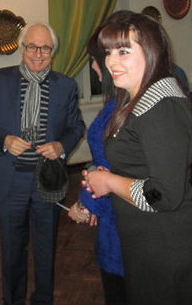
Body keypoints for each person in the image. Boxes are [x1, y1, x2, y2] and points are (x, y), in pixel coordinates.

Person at [83, 13, 192, 304]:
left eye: (123, 51)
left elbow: (164, 195)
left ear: (152, 51)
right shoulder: (136, 99)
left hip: (165, 244)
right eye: (108, 52)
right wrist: (106, 175)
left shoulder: (161, 108)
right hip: (145, 240)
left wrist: (109, 182)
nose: (111, 62)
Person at [0, 23, 86, 305]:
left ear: (53, 51)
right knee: (12, 250)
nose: (38, 53)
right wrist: (5, 139)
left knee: (45, 249)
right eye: (32, 46)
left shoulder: (66, 86)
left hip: (47, 179)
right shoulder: (0, 79)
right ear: (22, 48)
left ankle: (43, 300)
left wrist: (61, 146)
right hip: (10, 178)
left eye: (45, 48)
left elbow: (76, 127)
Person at [67, 22, 126, 305]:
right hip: (112, 214)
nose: (93, 66)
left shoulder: (121, 108)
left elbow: (115, 170)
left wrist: (84, 206)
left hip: (120, 224)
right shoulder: (119, 101)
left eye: (94, 59)